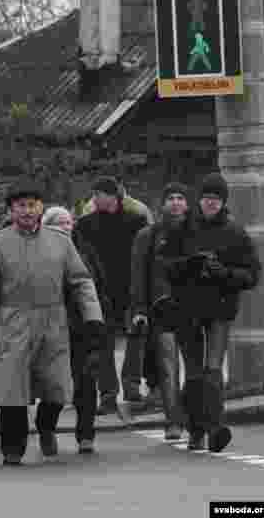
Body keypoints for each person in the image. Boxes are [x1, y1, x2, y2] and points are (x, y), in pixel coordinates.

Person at [0, 180, 104, 465]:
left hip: (53, 322)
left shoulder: (60, 241)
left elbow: (81, 281)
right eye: (21, 206)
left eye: (32, 205)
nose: (27, 211)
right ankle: (13, 449)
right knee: (13, 390)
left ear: (41, 207)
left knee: (58, 387)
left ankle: (47, 424)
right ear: (11, 210)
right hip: (13, 322)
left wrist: (93, 317)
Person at [161, 173, 259, 452]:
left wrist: (225, 273)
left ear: (223, 202)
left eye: (216, 199)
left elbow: (252, 275)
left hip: (220, 308)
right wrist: (189, 265)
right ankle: (196, 429)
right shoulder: (181, 229)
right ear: (199, 200)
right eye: (206, 198)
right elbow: (165, 265)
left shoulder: (235, 232)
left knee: (213, 369)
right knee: (193, 371)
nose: (210, 203)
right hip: (186, 308)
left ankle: (215, 428)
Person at [73, 176, 151, 412]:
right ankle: (107, 394)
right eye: (94, 194)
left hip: (131, 288)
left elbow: (144, 256)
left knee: (136, 337)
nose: (95, 198)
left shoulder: (136, 221)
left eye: (100, 193)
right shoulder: (85, 224)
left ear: (114, 196)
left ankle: (132, 386)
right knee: (102, 343)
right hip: (99, 290)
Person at [42, 206, 109, 454]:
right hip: (51, 328)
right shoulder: (40, 254)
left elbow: (98, 287)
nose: (66, 227)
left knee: (86, 382)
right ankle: (46, 428)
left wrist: (100, 322)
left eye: (69, 222)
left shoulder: (86, 251)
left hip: (83, 327)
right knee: (55, 384)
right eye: (59, 223)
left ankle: (86, 435)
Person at [129, 183, 193, 441]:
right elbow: (138, 276)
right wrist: (139, 309)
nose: (176, 203)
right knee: (168, 369)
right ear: (163, 204)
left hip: (193, 310)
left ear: (187, 204)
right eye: (171, 198)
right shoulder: (148, 235)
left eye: (181, 198)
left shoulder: (197, 233)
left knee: (196, 369)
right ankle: (174, 421)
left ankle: (193, 416)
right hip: (162, 310)